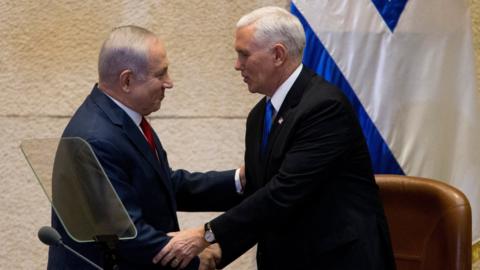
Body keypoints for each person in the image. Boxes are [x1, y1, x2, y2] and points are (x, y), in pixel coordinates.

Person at [153, 6, 396, 270]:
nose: (237, 65)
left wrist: (206, 234)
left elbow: (282, 194)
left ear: (278, 55)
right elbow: (261, 195)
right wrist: (221, 251)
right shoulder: (259, 116)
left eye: (243, 55)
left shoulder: (325, 108)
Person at [48, 25, 243, 270]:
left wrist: (238, 181)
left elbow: (163, 185)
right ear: (127, 80)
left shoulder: (124, 119)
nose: (169, 83)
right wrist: (194, 261)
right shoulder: (96, 138)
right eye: (161, 75)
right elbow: (126, 234)